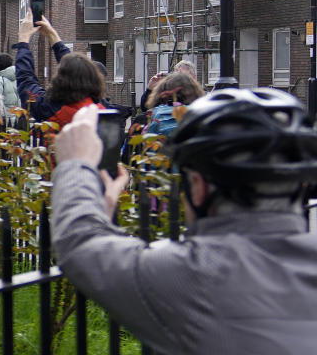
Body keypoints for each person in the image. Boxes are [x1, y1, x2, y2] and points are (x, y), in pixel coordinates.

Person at [51, 89, 317, 353]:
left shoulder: (191, 276)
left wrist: (76, 164)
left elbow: (79, 243)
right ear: (300, 183)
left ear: (199, 187)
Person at [13, 10, 105, 127]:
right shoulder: (101, 109)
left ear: (60, 81)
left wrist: (23, 40)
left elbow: (26, 81)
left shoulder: (52, 109)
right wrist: (53, 36)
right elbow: (73, 67)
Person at [143, 71, 204, 137]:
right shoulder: (200, 114)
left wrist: (149, 89)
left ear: (162, 91)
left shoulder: (155, 114)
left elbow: (145, 107)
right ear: (194, 90)